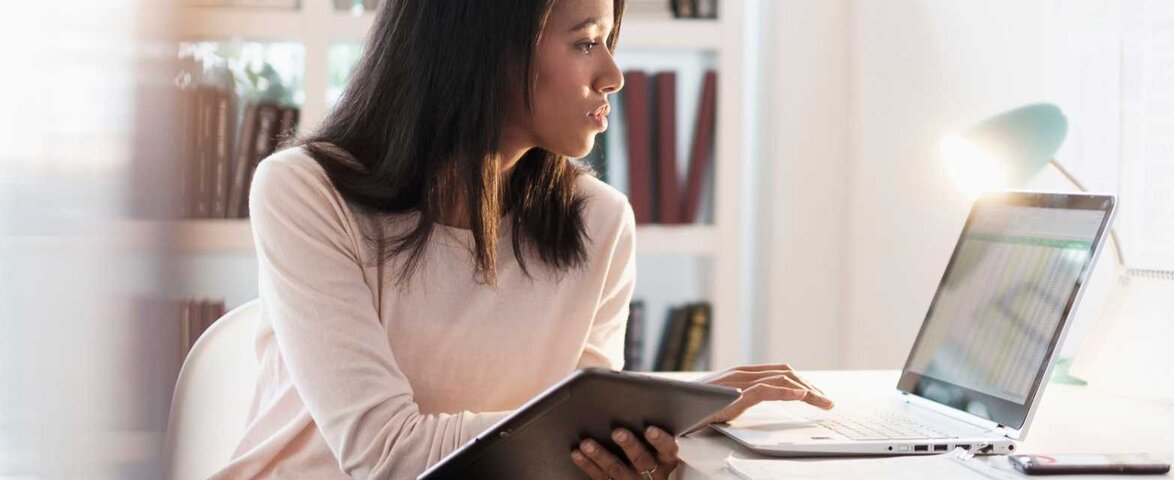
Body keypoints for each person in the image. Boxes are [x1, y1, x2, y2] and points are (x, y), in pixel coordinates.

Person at [210, 0, 833, 478]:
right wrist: (674, 403)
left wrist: (638, 445)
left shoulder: (600, 222)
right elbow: (387, 455)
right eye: (586, 42)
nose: (613, 76)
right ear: (485, 50)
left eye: (609, 42)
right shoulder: (306, 191)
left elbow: (581, 454)